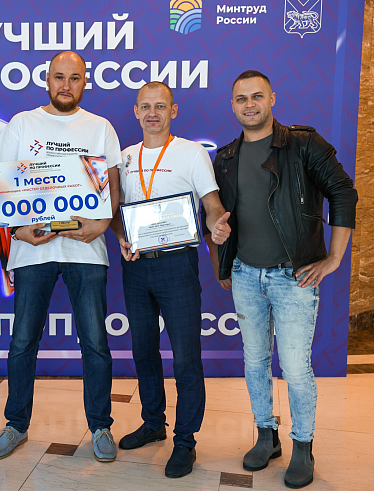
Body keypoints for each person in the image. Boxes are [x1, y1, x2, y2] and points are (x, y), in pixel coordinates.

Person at [205, 70, 357, 489]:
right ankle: (266, 436)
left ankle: (303, 446)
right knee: (255, 361)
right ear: (232, 105)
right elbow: (214, 216)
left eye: (257, 96)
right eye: (241, 99)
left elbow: (343, 192)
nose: (249, 105)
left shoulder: (304, 144)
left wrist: (334, 258)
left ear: (272, 98)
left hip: (294, 277)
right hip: (245, 274)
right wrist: (221, 256)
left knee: (294, 367)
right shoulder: (225, 157)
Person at [0, 51, 122, 463]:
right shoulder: (22, 124)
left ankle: (101, 426)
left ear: (85, 82)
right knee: (23, 341)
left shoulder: (100, 127)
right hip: (33, 249)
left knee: (95, 342)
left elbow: (113, 184)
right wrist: (17, 231)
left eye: (74, 78)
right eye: (59, 77)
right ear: (46, 80)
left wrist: (103, 223)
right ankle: (16, 424)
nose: (66, 85)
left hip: (86, 247)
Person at [109, 82, 231, 478]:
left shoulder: (191, 153)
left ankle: (185, 440)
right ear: (135, 111)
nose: (152, 113)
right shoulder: (124, 158)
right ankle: (152, 423)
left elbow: (211, 205)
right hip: (136, 267)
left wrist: (217, 227)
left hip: (177, 265)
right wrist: (121, 237)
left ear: (173, 111)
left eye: (160, 106)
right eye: (145, 106)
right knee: (143, 350)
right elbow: (115, 211)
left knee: (185, 356)